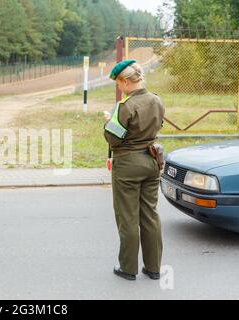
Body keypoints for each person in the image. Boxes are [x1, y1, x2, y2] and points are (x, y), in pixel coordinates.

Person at [104, 60, 165, 281]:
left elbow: (113, 138)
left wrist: (108, 121)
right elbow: (157, 126)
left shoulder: (125, 106)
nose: (119, 88)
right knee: (150, 215)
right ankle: (154, 268)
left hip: (128, 165)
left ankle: (128, 268)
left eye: (119, 84)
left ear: (126, 81)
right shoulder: (157, 100)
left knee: (127, 217)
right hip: (152, 162)